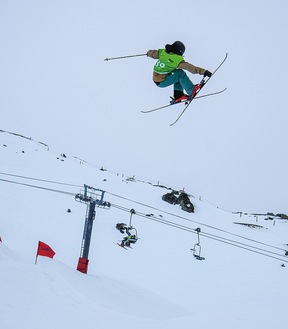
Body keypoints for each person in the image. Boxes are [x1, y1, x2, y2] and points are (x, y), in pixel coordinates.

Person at [147, 41, 212, 103]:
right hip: (162, 81)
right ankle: (191, 90)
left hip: (156, 79)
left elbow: (154, 53)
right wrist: (204, 72)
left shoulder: (163, 52)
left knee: (176, 74)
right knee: (180, 73)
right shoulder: (176, 60)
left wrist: (148, 53)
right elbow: (191, 68)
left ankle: (178, 95)